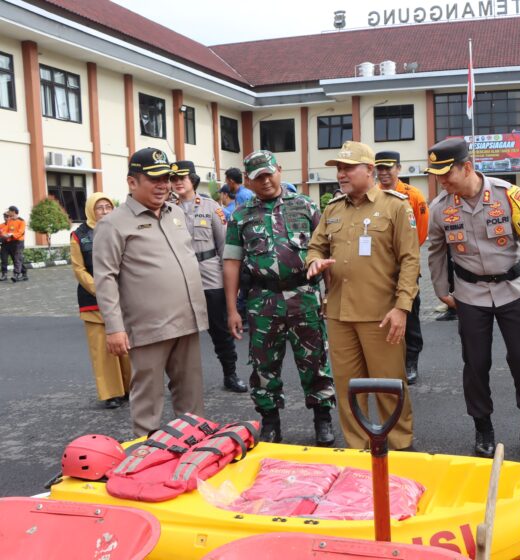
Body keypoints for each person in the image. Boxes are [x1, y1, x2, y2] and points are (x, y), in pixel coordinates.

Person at [426, 137, 520, 462]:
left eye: (446, 174)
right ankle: (483, 428)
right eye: (437, 175)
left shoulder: (508, 195)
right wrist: (442, 289)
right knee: (476, 363)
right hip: (470, 295)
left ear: (466, 167)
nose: (442, 181)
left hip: (514, 290)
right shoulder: (440, 208)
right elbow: (437, 250)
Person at [306, 141, 419, 450]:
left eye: (348, 168)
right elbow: (316, 246)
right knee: (346, 387)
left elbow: (410, 259)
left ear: (369, 169)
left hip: (381, 314)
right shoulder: (332, 208)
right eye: (338, 168)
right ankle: (357, 449)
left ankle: (399, 447)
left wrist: (402, 307)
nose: (341, 174)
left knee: (388, 385)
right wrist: (314, 261)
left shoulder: (396, 206)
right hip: (339, 314)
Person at [224, 150, 337, 446]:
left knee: (315, 362)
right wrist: (231, 310)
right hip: (263, 299)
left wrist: (329, 295)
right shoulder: (240, 215)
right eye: (258, 177)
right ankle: (270, 421)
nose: (266, 181)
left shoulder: (305, 206)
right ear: (248, 180)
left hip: (305, 295)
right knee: (263, 367)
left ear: (279, 171)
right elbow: (232, 263)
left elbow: (324, 252)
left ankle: (322, 420)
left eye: (269, 174)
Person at [93, 148, 208, 437]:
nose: (163, 185)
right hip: (147, 326)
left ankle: (193, 448)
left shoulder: (176, 213)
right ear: (132, 182)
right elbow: (105, 278)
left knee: (191, 394)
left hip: (186, 319)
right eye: (154, 179)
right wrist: (115, 328)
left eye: (167, 178)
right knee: (148, 398)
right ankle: (145, 456)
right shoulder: (113, 223)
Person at [170, 160, 247, 393]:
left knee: (220, 329)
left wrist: (232, 283)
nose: (177, 183)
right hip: (179, 279)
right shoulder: (166, 208)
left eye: (181, 179)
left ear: (192, 180)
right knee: (180, 334)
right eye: (173, 180)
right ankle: (183, 381)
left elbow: (226, 247)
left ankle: (230, 374)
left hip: (209, 275)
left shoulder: (210, 206)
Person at [69, 193, 132, 409]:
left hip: (122, 295)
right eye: (99, 208)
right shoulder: (79, 235)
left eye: (108, 207)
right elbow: (78, 268)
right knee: (102, 350)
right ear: (90, 210)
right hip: (93, 299)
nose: (104, 211)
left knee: (126, 346)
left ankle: (130, 388)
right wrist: (100, 288)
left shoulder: (120, 229)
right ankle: (111, 393)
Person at [375, 150, 429, 385]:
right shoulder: (372, 193)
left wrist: (403, 257)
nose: (384, 172)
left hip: (405, 265)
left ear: (398, 168)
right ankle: (383, 361)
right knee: (377, 313)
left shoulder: (413, 195)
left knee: (409, 312)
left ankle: (411, 360)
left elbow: (421, 233)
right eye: (380, 168)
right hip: (377, 268)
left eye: (388, 167)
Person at [0, 206, 27, 282]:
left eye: (10, 211)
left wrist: (11, 235)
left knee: (17, 258)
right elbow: (6, 230)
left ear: (14, 212)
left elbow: (20, 232)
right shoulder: (9, 221)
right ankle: (21, 274)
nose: (8, 213)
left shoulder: (21, 221)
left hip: (19, 242)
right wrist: (5, 235)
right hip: (10, 242)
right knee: (15, 258)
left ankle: (16, 274)